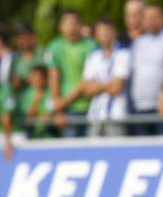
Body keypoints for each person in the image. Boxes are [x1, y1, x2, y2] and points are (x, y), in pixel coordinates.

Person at [127, 3, 163, 134]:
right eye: (148, 17)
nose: (151, 20)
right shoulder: (138, 43)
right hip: (140, 108)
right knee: (143, 152)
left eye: (155, 17)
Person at [71, 17, 131, 138]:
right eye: (101, 31)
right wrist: (108, 84)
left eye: (108, 30)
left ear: (115, 32)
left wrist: (97, 85)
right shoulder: (93, 56)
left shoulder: (124, 53)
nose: (105, 34)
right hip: (95, 115)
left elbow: (117, 88)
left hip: (117, 115)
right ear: (96, 34)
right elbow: (87, 89)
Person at [45, 8, 96, 137]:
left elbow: (90, 79)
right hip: (68, 110)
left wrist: (63, 102)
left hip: (92, 106)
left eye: (75, 23)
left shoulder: (91, 46)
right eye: (68, 23)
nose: (71, 27)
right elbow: (53, 78)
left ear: (81, 25)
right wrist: (59, 110)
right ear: (61, 26)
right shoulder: (54, 47)